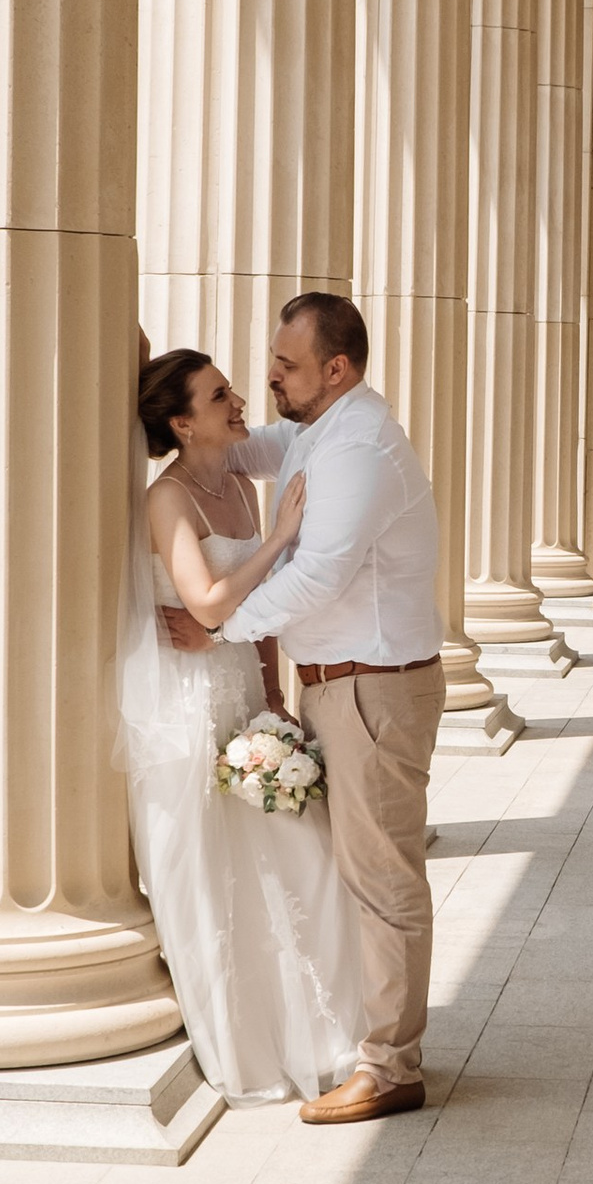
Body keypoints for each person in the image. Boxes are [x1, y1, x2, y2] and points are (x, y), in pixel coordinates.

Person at [159, 293, 444, 1124]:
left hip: (371, 687)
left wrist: (218, 630)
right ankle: (379, 1041)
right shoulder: (324, 429)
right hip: (339, 683)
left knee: (382, 878)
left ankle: (392, 1067)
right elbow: (253, 446)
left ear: (336, 369)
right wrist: (161, 400)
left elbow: (317, 575)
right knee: (358, 871)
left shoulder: (358, 449)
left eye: (284, 366)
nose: (268, 378)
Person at [117, 346, 366, 1106]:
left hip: (243, 700)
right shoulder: (168, 500)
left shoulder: (236, 487)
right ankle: (249, 1042)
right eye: (218, 394)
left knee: (307, 864)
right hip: (190, 709)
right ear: (182, 422)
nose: (238, 401)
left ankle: (331, 1035)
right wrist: (278, 542)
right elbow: (209, 604)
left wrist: (274, 694)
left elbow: (251, 620)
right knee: (222, 879)